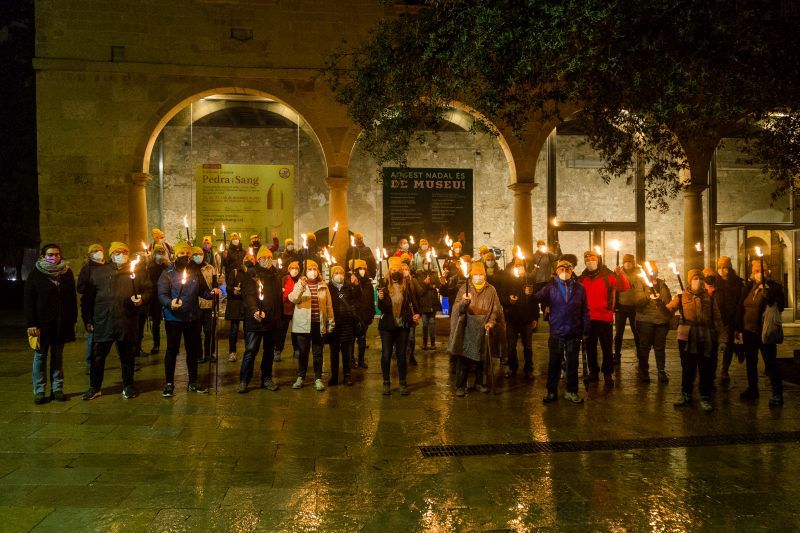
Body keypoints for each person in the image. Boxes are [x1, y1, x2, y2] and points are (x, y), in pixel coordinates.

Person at [81, 241, 150, 400]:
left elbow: (148, 290)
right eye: (118, 252)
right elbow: (88, 299)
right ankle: (95, 387)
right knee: (98, 357)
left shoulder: (136, 272)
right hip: (104, 320)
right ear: (111, 255)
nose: (122, 255)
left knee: (127, 356)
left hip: (126, 320)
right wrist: (88, 319)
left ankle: (128, 385)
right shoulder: (99, 272)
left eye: (125, 252)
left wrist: (141, 299)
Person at [158, 242, 221, 397]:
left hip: (192, 317)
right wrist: (170, 302)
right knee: (172, 350)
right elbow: (162, 294)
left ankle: (193, 381)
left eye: (188, 254)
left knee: (192, 351)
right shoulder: (167, 273)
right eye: (182, 254)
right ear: (175, 255)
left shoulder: (195, 271)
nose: (185, 256)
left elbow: (202, 290)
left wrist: (211, 293)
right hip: (174, 318)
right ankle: (169, 383)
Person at [665, 269, 725, 411]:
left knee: (705, 368)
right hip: (686, 337)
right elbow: (667, 312)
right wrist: (659, 304)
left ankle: (705, 396)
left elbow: (717, 319)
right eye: (695, 278)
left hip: (706, 336)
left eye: (700, 278)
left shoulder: (709, 299)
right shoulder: (680, 297)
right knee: (688, 367)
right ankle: (686, 394)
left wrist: (722, 339)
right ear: (689, 281)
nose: (698, 281)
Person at [25, 243, 77, 404]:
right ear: (43, 256)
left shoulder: (66, 273)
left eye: (56, 254)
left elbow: (71, 298)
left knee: (57, 356)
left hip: (61, 323)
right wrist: (32, 323)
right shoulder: (36, 274)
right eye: (50, 254)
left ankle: (57, 388)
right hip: (42, 324)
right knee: (40, 356)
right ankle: (40, 390)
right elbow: (28, 301)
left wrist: (73, 319)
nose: (54, 257)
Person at [535, 259, 590, 404]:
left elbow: (585, 311)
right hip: (557, 331)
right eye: (561, 269)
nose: (564, 272)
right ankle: (551, 391)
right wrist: (531, 288)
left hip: (574, 331)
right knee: (554, 362)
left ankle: (571, 391)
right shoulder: (550, 287)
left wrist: (585, 330)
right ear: (556, 271)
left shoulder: (580, 288)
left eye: (568, 269)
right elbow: (537, 297)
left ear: (572, 271)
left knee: (572, 363)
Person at [735, 259, 786, 406]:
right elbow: (741, 306)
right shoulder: (749, 287)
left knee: (770, 363)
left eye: (762, 270)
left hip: (764, 331)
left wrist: (767, 293)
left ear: (767, 272)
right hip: (749, 331)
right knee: (751, 362)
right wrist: (738, 328)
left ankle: (777, 393)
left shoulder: (774, 287)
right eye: (756, 271)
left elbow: (779, 306)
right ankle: (753, 389)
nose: (759, 274)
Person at [449, 262, 502, 397]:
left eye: (481, 274)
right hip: (468, 327)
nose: (478, 276)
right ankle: (460, 385)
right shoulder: (464, 289)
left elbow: (496, 309)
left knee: (482, 358)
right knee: (464, 358)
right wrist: (463, 302)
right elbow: (457, 309)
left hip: (484, 326)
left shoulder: (491, 290)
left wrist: (491, 322)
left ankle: (480, 383)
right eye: (476, 274)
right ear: (472, 275)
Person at [578, 249, 630, 385]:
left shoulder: (608, 275)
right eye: (587, 259)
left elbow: (623, 287)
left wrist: (621, 275)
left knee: (607, 347)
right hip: (588, 318)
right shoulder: (582, 278)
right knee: (590, 347)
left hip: (604, 317)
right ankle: (593, 371)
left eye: (592, 259)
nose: (590, 261)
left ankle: (607, 373)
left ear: (598, 259)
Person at [237, 246, 283, 393]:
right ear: (258, 259)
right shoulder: (252, 274)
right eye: (263, 258)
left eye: (269, 257)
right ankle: (244, 380)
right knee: (251, 350)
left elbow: (278, 298)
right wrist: (254, 310)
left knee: (268, 351)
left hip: (272, 320)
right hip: (256, 320)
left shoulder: (276, 274)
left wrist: (278, 317)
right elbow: (248, 295)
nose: (267, 260)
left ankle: (267, 378)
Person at [288, 260, 334, 391]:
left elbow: (329, 306)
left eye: (314, 268)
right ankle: (301, 377)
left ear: (318, 271)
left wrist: (331, 322)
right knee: (303, 352)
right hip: (303, 325)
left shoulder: (323, 286)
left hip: (318, 325)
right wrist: (301, 287)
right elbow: (293, 299)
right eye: (309, 269)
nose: (312, 271)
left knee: (318, 353)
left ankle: (318, 378)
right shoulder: (300, 283)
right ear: (305, 272)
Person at [377, 257, 419, 395]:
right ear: (390, 271)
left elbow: (413, 301)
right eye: (394, 270)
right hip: (387, 326)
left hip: (403, 325)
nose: (396, 272)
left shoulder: (406, 285)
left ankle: (402, 383)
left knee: (401, 355)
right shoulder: (384, 285)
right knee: (386, 354)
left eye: (398, 270)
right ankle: (386, 382)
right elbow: (382, 307)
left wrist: (415, 314)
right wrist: (381, 298)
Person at [633, 261, 672, 384]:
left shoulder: (662, 284)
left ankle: (661, 370)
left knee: (660, 347)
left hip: (661, 321)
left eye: (655, 270)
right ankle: (644, 370)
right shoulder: (640, 283)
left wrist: (660, 301)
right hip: (645, 320)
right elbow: (638, 302)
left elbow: (668, 301)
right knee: (644, 346)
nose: (653, 272)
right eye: (651, 270)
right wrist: (648, 297)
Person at [501, 257, 539, 380]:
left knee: (528, 347)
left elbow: (535, 300)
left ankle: (528, 369)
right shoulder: (507, 281)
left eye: (521, 265)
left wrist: (535, 317)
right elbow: (501, 297)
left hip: (526, 318)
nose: (519, 267)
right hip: (511, 318)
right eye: (517, 265)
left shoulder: (529, 280)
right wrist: (509, 300)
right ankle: (513, 368)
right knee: (511, 346)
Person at [715, 256, 744, 386]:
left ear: (729, 268)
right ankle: (712, 369)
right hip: (717, 318)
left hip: (731, 319)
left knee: (729, 346)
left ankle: (724, 369)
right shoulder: (715, 282)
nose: (722, 270)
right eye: (719, 267)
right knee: (715, 345)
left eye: (724, 267)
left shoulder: (737, 283)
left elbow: (739, 302)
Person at [76, 243, 105, 374]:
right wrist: (93, 288)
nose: (98, 252)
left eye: (100, 250)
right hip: (92, 307)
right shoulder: (87, 269)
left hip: (106, 306)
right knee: (92, 337)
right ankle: (90, 363)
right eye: (95, 251)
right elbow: (80, 288)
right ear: (90, 254)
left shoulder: (107, 267)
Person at [328, 265, 359, 386]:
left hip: (347, 324)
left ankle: (347, 376)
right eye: (336, 272)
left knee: (347, 353)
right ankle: (334, 376)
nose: (338, 275)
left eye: (341, 272)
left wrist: (356, 285)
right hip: (334, 324)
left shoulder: (348, 287)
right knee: (334, 353)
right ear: (332, 275)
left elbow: (357, 297)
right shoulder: (328, 288)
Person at [141, 243, 169, 355]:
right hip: (154, 297)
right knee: (156, 322)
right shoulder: (149, 266)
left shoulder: (167, 266)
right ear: (154, 254)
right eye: (158, 253)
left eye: (162, 253)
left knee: (169, 321)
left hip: (165, 295)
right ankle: (156, 344)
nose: (160, 255)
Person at [613, 253, 641, 366]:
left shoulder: (639, 273)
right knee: (619, 332)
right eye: (626, 262)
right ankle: (617, 354)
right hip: (621, 306)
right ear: (623, 263)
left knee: (637, 332)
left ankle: (640, 353)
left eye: (629, 262)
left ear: (633, 263)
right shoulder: (619, 272)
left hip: (634, 307)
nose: (628, 264)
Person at [221, 233, 246, 361]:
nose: (236, 240)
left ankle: (249, 351)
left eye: (237, 237)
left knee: (247, 328)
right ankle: (232, 351)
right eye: (233, 238)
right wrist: (224, 257)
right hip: (235, 297)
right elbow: (224, 265)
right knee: (234, 327)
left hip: (245, 299)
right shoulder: (228, 251)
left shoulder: (244, 251)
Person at [194, 246, 219, 363]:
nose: (198, 256)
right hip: (195, 305)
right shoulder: (189, 269)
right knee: (196, 332)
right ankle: (198, 354)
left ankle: (209, 354)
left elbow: (215, 284)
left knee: (209, 331)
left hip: (208, 304)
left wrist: (215, 291)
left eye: (200, 253)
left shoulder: (210, 268)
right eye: (195, 254)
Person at [275, 261, 301, 363]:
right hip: (285, 309)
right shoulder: (285, 279)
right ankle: (278, 350)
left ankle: (297, 349)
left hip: (297, 309)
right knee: (282, 331)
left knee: (296, 331)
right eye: (292, 268)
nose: (294, 270)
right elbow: (281, 293)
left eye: (296, 268)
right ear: (289, 269)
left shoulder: (300, 280)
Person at [351, 259, 375, 368]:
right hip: (354, 315)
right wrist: (355, 285)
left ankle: (361, 360)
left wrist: (371, 314)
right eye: (359, 269)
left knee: (362, 339)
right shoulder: (350, 282)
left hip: (364, 315)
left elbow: (370, 300)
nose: (362, 271)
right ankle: (351, 360)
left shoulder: (368, 284)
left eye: (364, 268)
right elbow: (352, 298)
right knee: (351, 339)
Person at [415, 256, 441, 351]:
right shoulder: (420, 274)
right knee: (425, 323)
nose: (427, 265)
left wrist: (430, 284)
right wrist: (430, 285)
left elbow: (437, 284)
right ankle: (425, 342)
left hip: (433, 302)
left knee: (432, 323)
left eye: (428, 263)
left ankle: (433, 342)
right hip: (424, 302)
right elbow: (420, 285)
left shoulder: (434, 273)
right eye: (425, 263)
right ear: (423, 264)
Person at [402, 262, 422, 365]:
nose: (405, 271)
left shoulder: (413, 281)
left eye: (407, 269)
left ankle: (411, 355)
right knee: (403, 336)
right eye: (403, 269)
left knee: (411, 336)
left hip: (412, 312)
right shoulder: (400, 282)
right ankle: (403, 355)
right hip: (403, 314)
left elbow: (419, 293)